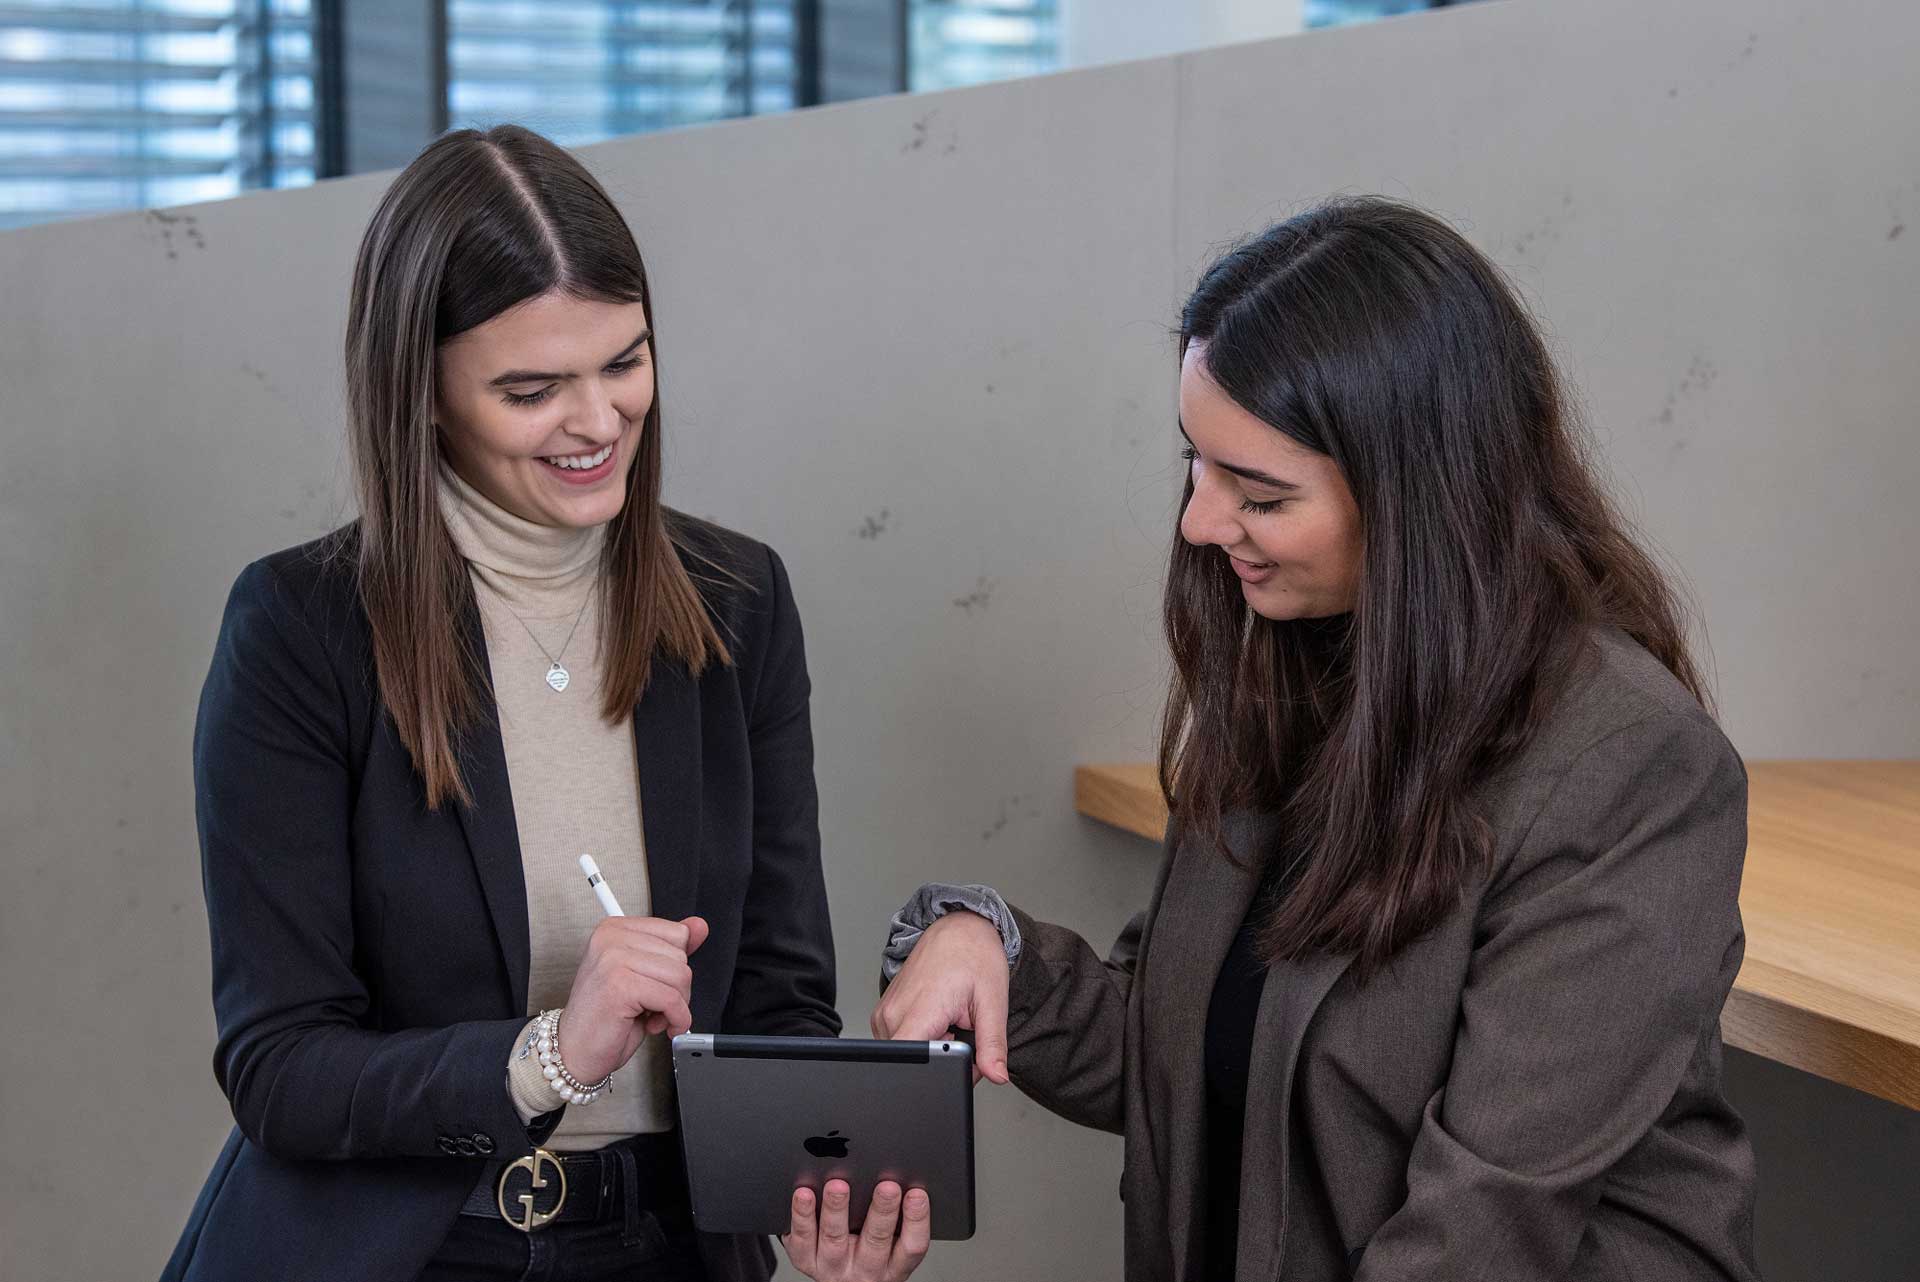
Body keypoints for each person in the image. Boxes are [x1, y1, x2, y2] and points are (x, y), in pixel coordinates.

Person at [875, 197, 1760, 1281]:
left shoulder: (1630, 766)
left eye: (1259, 493)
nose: (1201, 522)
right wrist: (990, 949)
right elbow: (1200, 1061)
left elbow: (1483, 1223)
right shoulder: (1302, 668)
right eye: (1195, 465)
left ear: (1417, 498)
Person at [163, 125, 927, 1282]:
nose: (599, 421)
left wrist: (818, 1193)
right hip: (407, 1251)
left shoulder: (740, 602)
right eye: (532, 389)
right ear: (420, 393)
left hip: (665, 1245)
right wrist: (549, 1057)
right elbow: (281, 1065)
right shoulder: (299, 630)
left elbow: (775, 991)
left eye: (625, 362)